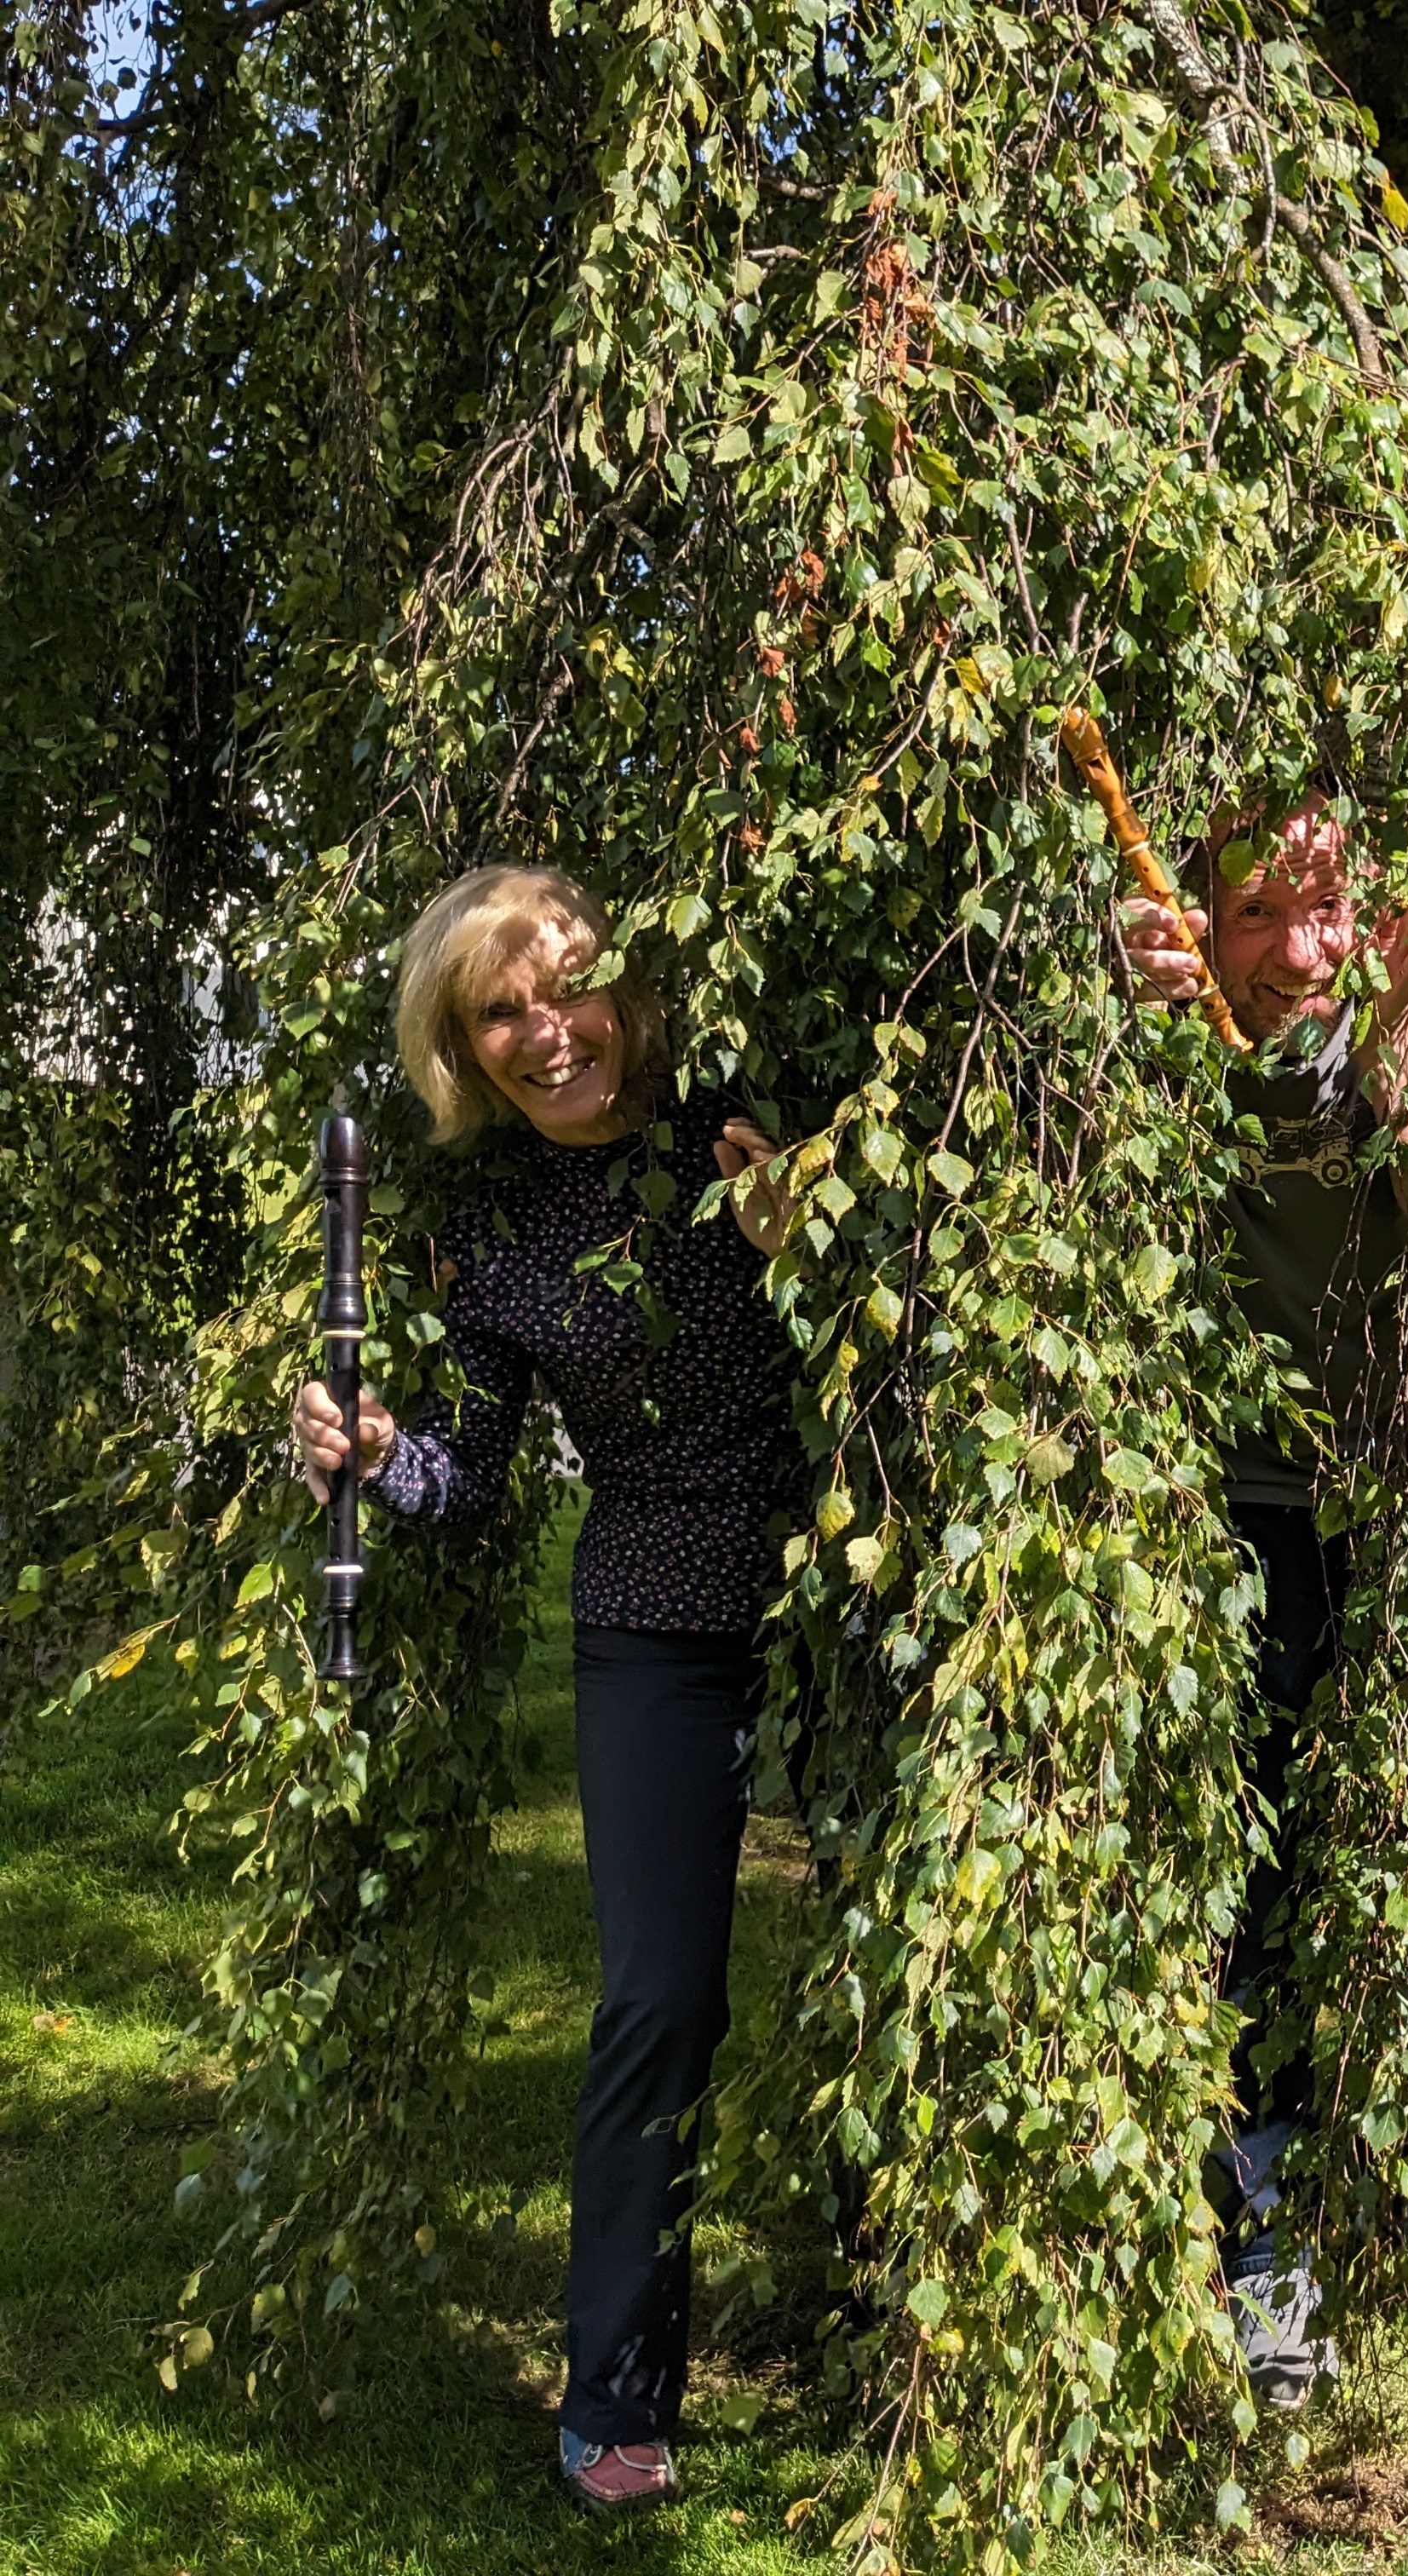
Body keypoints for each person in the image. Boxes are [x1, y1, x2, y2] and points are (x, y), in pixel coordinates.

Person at [290, 866, 801, 2514]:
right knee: (659, 1998)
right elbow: (475, 1476)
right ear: (463, 1048)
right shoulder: (495, 1223)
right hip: (654, 1607)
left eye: (564, 986)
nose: (546, 1031)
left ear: (621, 980)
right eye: (500, 1012)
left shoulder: (738, 1115)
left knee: (915, 1941)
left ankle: (912, 2303)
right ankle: (616, 2389)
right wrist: (382, 1454)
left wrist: (813, 1241)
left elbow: (924, 1332)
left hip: (847, 1588)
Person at [1117, 790, 1408, 2412]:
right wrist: (1117, 1018)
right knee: (1216, 1893)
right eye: (1255, 912)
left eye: (1326, 908)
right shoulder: (1141, 1039)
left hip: (1375, 1523)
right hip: (1196, 1520)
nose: (1299, 951)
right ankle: (1203, 2236)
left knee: (1330, 1888)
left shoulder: (1404, 1037)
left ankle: (1304, 2233)